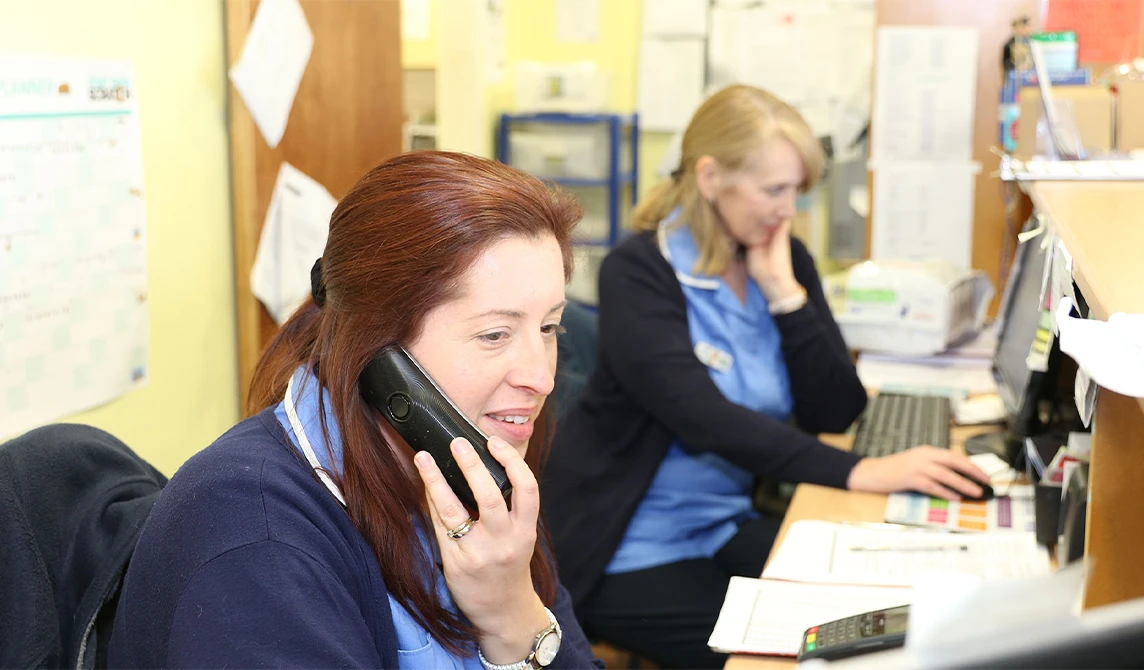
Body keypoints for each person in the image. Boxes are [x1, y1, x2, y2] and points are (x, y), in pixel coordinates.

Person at [541, 85, 991, 669]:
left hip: (721, 525)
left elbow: (834, 409)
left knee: (868, 618)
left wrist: (786, 297)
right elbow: (703, 417)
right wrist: (862, 469)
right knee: (800, 655)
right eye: (774, 189)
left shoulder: (781, 259)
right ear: (710, 178)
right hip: (626, 549)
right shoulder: (639, 271)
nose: (789, 210)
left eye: (797, 192)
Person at [110, 151, 601, 669]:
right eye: (494, 334)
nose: (541, 377)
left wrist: (511, 614)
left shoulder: (476, 471)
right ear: (381, 355)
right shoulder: (254, 530)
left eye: (549, 328)